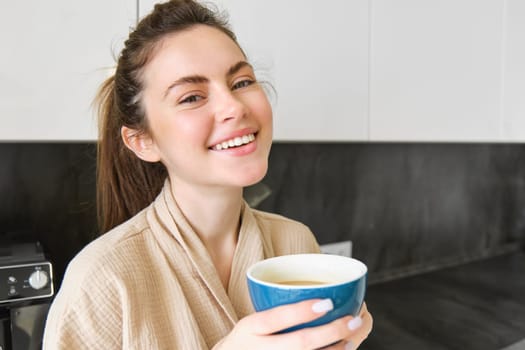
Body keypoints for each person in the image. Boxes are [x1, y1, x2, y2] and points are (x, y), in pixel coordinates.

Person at [43, 0, 373, 349]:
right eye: (191, 97)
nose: (234, 106)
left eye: (242, 81)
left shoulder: (295, 243)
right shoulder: (101, 279)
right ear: (142, 141)